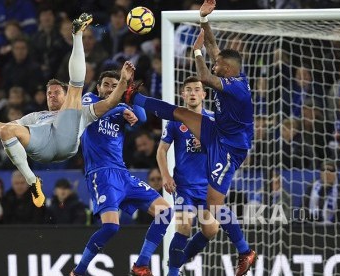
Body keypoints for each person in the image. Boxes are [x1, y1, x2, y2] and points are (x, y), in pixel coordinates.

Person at [122, 1, 257, 275]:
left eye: (218, 64)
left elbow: (205, 75)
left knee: (214, 209)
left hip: (230, 148)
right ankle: (132, 95)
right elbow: (214, 48)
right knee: (181, 113)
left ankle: (245, 252)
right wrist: (204, 20)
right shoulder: (229, 74)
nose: (214, 62)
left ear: (227, 71)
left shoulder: (236, 87)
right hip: (219, 134)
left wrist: (195, 51)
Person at [0, 13, 135, 209]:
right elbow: (4, 128)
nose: (51, 96)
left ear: (63, 95)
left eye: (56, 92)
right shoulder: (36, 116)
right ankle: (32, 181)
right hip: (41, 147)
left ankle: (77, 35)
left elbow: (110, 102)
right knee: (7, 130)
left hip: (65, 144)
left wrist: (122, 83)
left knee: (75, 92)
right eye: (48, 93)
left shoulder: (82, 110)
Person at [70, 70, 173, 276]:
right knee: (111, 228)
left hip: (123, 173)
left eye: (114, 85)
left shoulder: (121, 106)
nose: (109, 89)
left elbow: (142, 118)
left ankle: (141, 264)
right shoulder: (90, 99)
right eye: (106, 84)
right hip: (101, 173)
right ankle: (79, 272)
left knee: (165, 212)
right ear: (98, 87)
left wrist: (130, 98)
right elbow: (93, 113)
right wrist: (118, 107)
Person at [156, 76, 220, 275]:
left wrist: (210, 144)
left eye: (197, 89)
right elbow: (161, 150)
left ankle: (178, 261)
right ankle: (173, 272)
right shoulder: (176, 120)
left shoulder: (214, 120)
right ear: (183, 95)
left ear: (204, 94)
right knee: (184, 225)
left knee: (211, 230)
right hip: (184, 185)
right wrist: (166, 176)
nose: (193, 93)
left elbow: (226, 149)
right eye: (188, 89)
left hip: (208, 186)